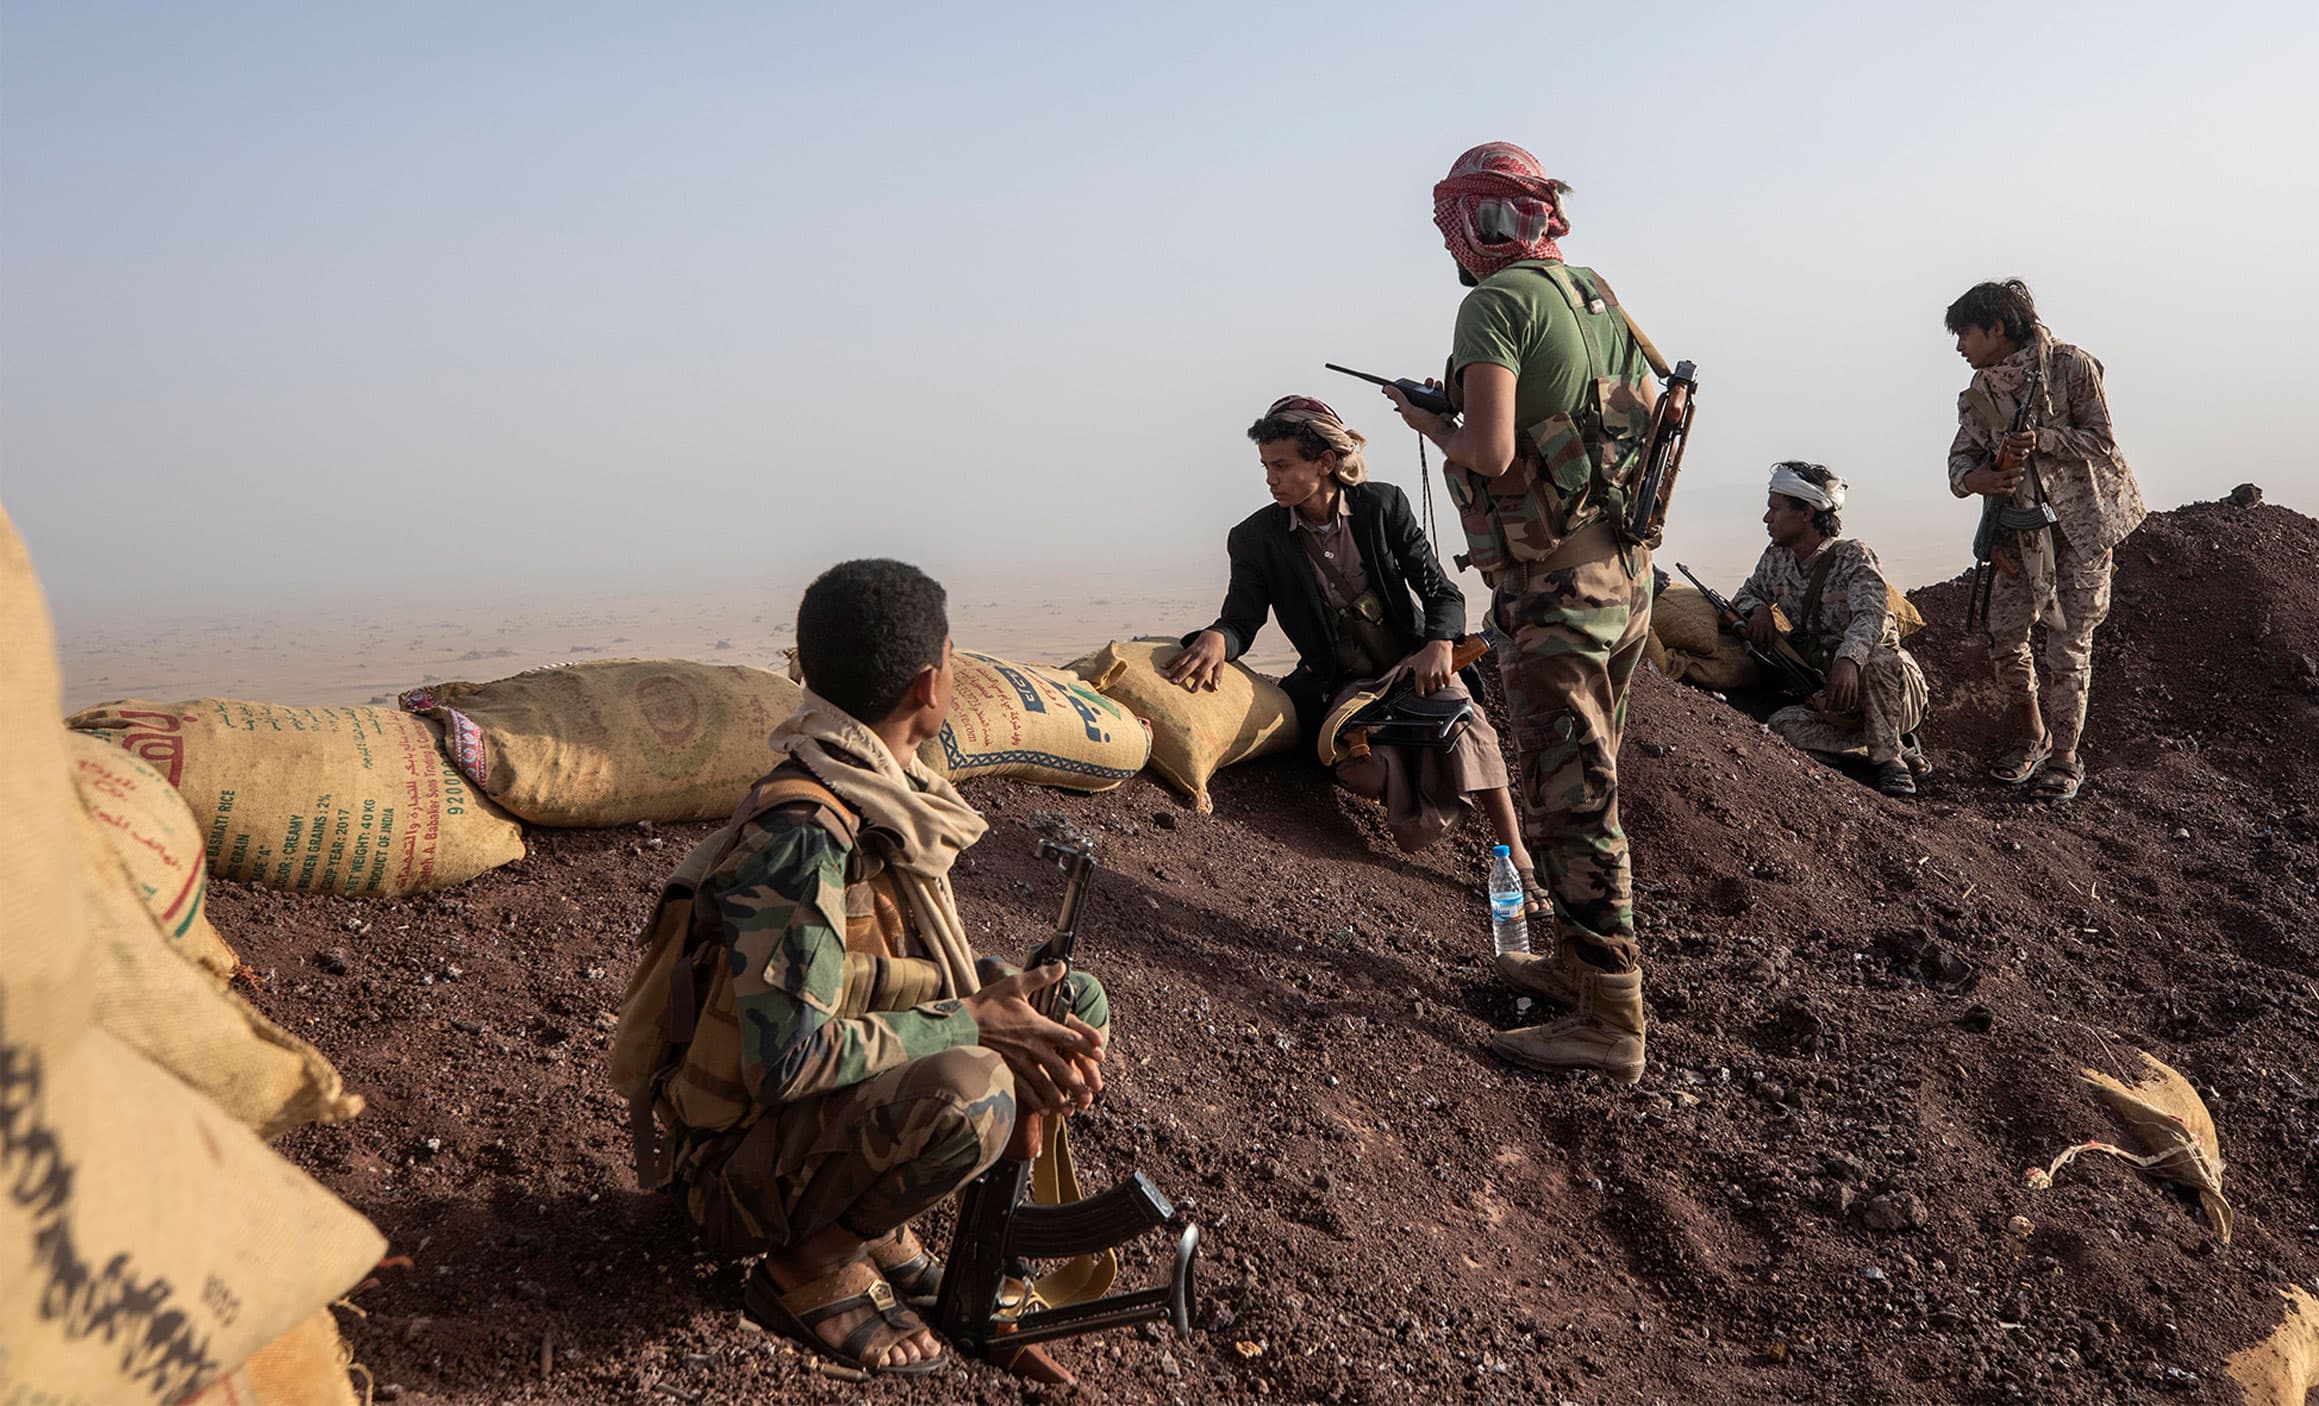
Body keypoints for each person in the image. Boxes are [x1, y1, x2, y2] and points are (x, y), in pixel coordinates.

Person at [629, 560, 1109, 1377]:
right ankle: (808, 1265)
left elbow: (873, 972)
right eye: (955, 658)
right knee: (974, 1093)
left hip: (787, 1132)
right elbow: (786, 1060)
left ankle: (872, 1222)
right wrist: (973, 1021)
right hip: (723, 1175)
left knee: (1070, 1000)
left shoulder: (878, 793)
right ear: (930, 683)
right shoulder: (806, 834)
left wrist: (1010, 1004)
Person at [1384, 141, 1684, 1084]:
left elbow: (1490, 445)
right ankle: (1579, 972)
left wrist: (1426, 419)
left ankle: (1612, 1023)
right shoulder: (1594, 293)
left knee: (1571, 794)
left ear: (1480, 222)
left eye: (1460, 226)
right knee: (1583, 780)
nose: (1455, 248)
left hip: (1558, 590)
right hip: (1625, 576)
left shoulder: (1495, 302)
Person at [1161, 396, 1544, 887]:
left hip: (1413, 666)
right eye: (1265, 466)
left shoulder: (1382, 507)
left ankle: (1519, 861)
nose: (1270, 478)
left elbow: (1440, 591)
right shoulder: (1255, 538)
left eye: (1281, 465)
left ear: (1324, 463)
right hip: (1344, 686)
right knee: (1361, 775)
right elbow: (1242, 620)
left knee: (1466, 723)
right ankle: (1430, 787)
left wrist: (1440, 644)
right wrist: (1217, 637)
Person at [1947, 278, 2146, 801]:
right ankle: (2032, 735)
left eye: (1966, 333)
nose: (1960, 346)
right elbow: (1959, 462)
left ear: (1996, 327)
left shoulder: (2068, 366)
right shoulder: (1979, 396)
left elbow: (2101, 440)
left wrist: (2043, 442)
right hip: (2016, 536)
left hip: (2080, 529)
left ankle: (2065, 756)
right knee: (2005, 635)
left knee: (2069, 643)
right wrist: (1979, 481)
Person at [1730, 462, 1930, 796]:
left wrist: (1849, 659)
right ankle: (1877, 746)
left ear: (1806, 512)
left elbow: (1873, 615)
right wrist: (1760, 609)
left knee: (1881, 659)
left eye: (1775, 509)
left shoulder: (1853, 556)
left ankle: (1890, 760)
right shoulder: (1776, 558)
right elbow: (1746, 595)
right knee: (1782, 727)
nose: (1767, 518)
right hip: (1834, 696)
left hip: (1890, 688)